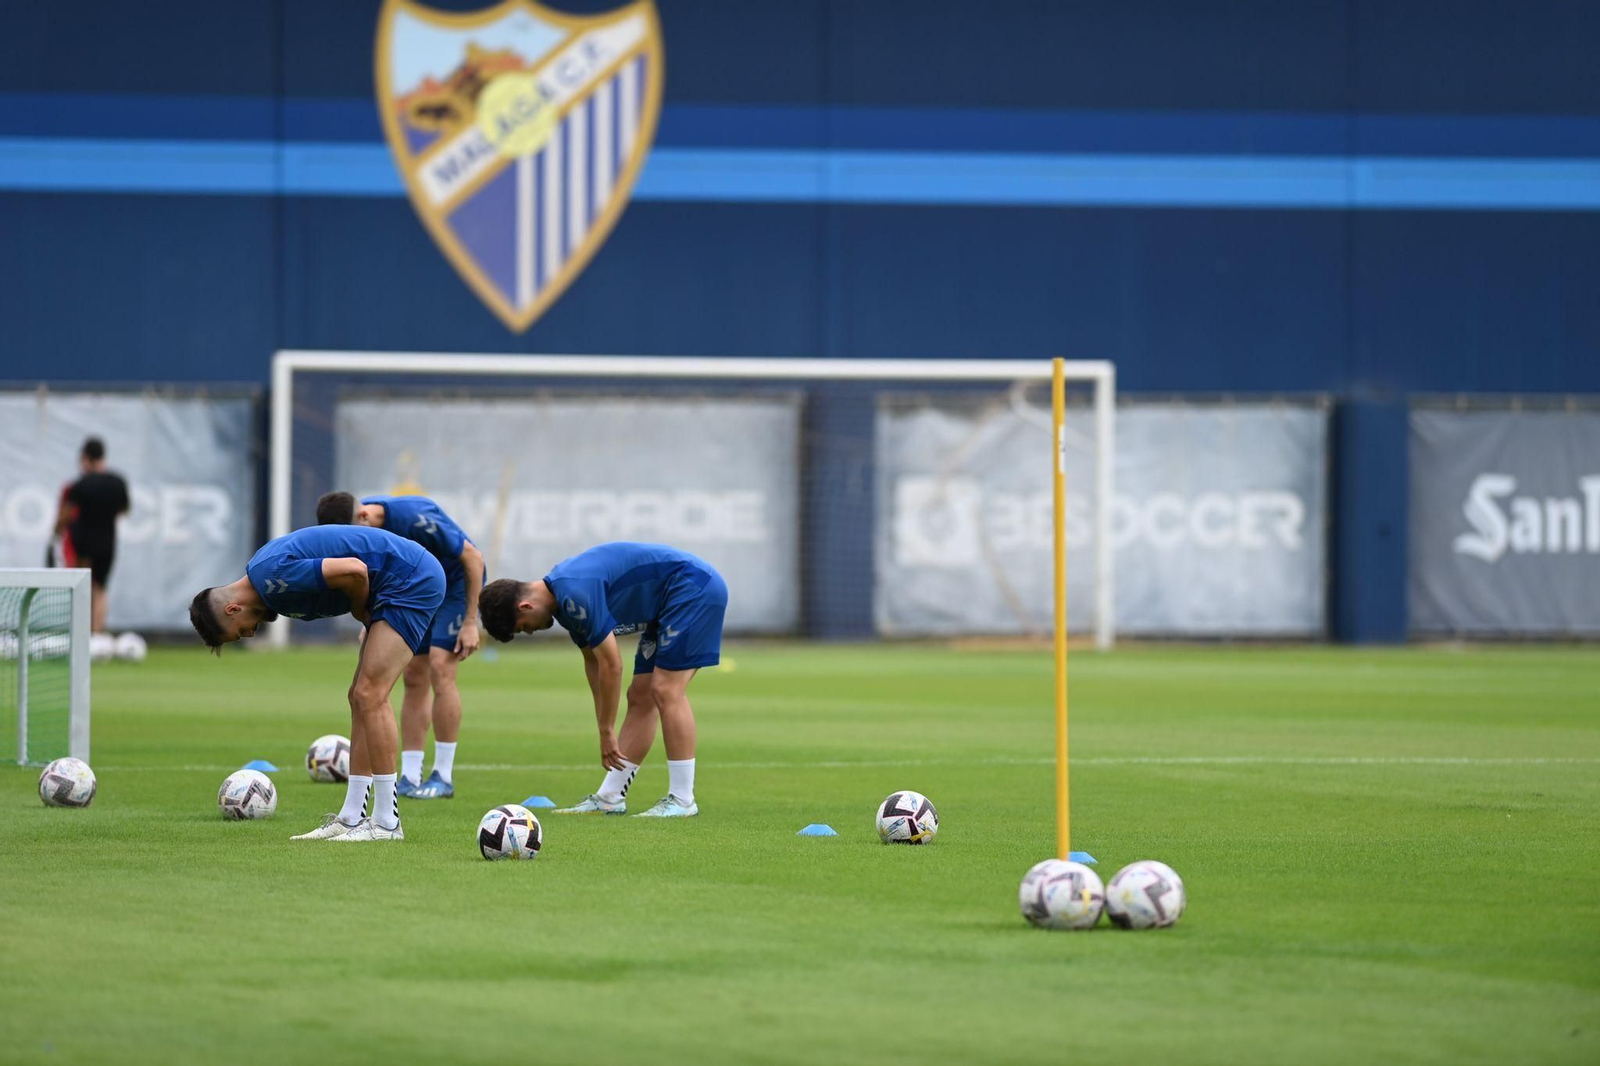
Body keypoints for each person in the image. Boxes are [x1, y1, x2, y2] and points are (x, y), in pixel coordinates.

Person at [187, 524, 445, 842]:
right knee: (359, 697)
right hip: (393, 587)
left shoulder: (271, 574)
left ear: (232, 609)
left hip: (410, 579)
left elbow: (355, 570)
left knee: (371, 694)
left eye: (240, 631)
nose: (250, 633)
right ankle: (351, 817)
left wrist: (361, 612)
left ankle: (387, 823)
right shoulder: (269, 584)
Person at [477, 542, 728, 818]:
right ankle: (610, 797)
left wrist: (608, 731)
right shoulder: (563, 604)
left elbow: (612, 664)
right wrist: (602, 727)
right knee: (641, 697)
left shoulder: (574, 594)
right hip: (665, 605)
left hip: (692, 589)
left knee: (666, 689)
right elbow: (593, 662)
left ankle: (683, 800)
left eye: (524, 627)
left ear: (525, 606)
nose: (532, 632)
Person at [315, 491, 484, 799]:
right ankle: (410, 775)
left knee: (440, 666)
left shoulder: (413, 517)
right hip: (414, 590)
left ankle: (442, 775)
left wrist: (471, 621)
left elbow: (472, 557)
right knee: (413, 674)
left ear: (363, 517)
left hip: (454, 586)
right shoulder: (360, 524)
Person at [52, 437, 130, 634]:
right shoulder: (117, 482)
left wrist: (56, 531)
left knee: (82, 587)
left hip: (84, 542)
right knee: (101, 589)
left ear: (86, 457)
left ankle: (81, 633)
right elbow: (124, 509)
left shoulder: (81, 484)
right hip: (107, 542)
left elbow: (67, 514)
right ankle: (97, 634)